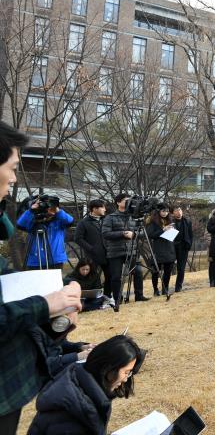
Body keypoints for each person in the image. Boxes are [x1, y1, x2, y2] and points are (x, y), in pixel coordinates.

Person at [0, 121, 84, 434]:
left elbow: (69, 218)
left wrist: (54, 316)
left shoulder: (57, 221)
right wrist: (44, 305)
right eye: (11, 167)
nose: (13, 177)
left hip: (54, 263)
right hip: (36, 262)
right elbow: (20, 224)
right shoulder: (31, 217)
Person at [27, 335, 145, 434]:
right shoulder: (73, 412)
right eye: (126, 372)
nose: (125, 380)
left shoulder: (83, 385)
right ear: (108, 369)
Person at [102, 193, 147, 311]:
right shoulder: (110, 217)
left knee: (138, 271)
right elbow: (105, 234)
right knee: (116, 277)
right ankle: (117, 299)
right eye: (126, 200)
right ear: (118, 202)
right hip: (115, 252)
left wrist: (134, 234)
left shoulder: (134, 217)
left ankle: (139, 296)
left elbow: (143, 233)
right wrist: (122, 233)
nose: (129, 203)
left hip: (131, 250)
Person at [17, 195, 73, 270]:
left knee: (54, 282)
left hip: (55, 260)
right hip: (35, 261)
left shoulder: (59, 220)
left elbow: (70, 221)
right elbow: (20, 224)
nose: (47, 209)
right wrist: (31, 210)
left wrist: (57, 210)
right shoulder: (33, 221)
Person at [75, 199, 110, 304]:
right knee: (93, 278)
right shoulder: (83, 222)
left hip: (108, 253)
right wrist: (91, 248)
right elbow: (78, 238)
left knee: (111, 276)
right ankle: (94, 300)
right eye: (102, 207)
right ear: (94, 209)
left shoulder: (106, 220)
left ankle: (108, 296)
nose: (105, 209)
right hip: (92, 256)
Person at [147, 204, 176, 297]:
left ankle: (165, 288)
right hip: (158, 248)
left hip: (168, 247)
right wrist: (163, 229)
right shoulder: (152, 221)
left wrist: (172, 230)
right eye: (163, 211)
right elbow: (151, 234)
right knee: (155, 271)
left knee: (168, 270)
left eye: (167, 211)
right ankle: (155, 289)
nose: (165, 213)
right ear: (159, 211)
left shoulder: (170, 220)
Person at [172, 206, 193, 292]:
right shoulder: (170, 222)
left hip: (183, 247)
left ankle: (178, 287)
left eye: (180, 210)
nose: (178, 212)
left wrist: (189, 245)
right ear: (173, 212)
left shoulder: (187, 221)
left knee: (181, 268)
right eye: (176, 210)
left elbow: (191, 234)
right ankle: (164, 287)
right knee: (168, 268)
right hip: (172, 247)